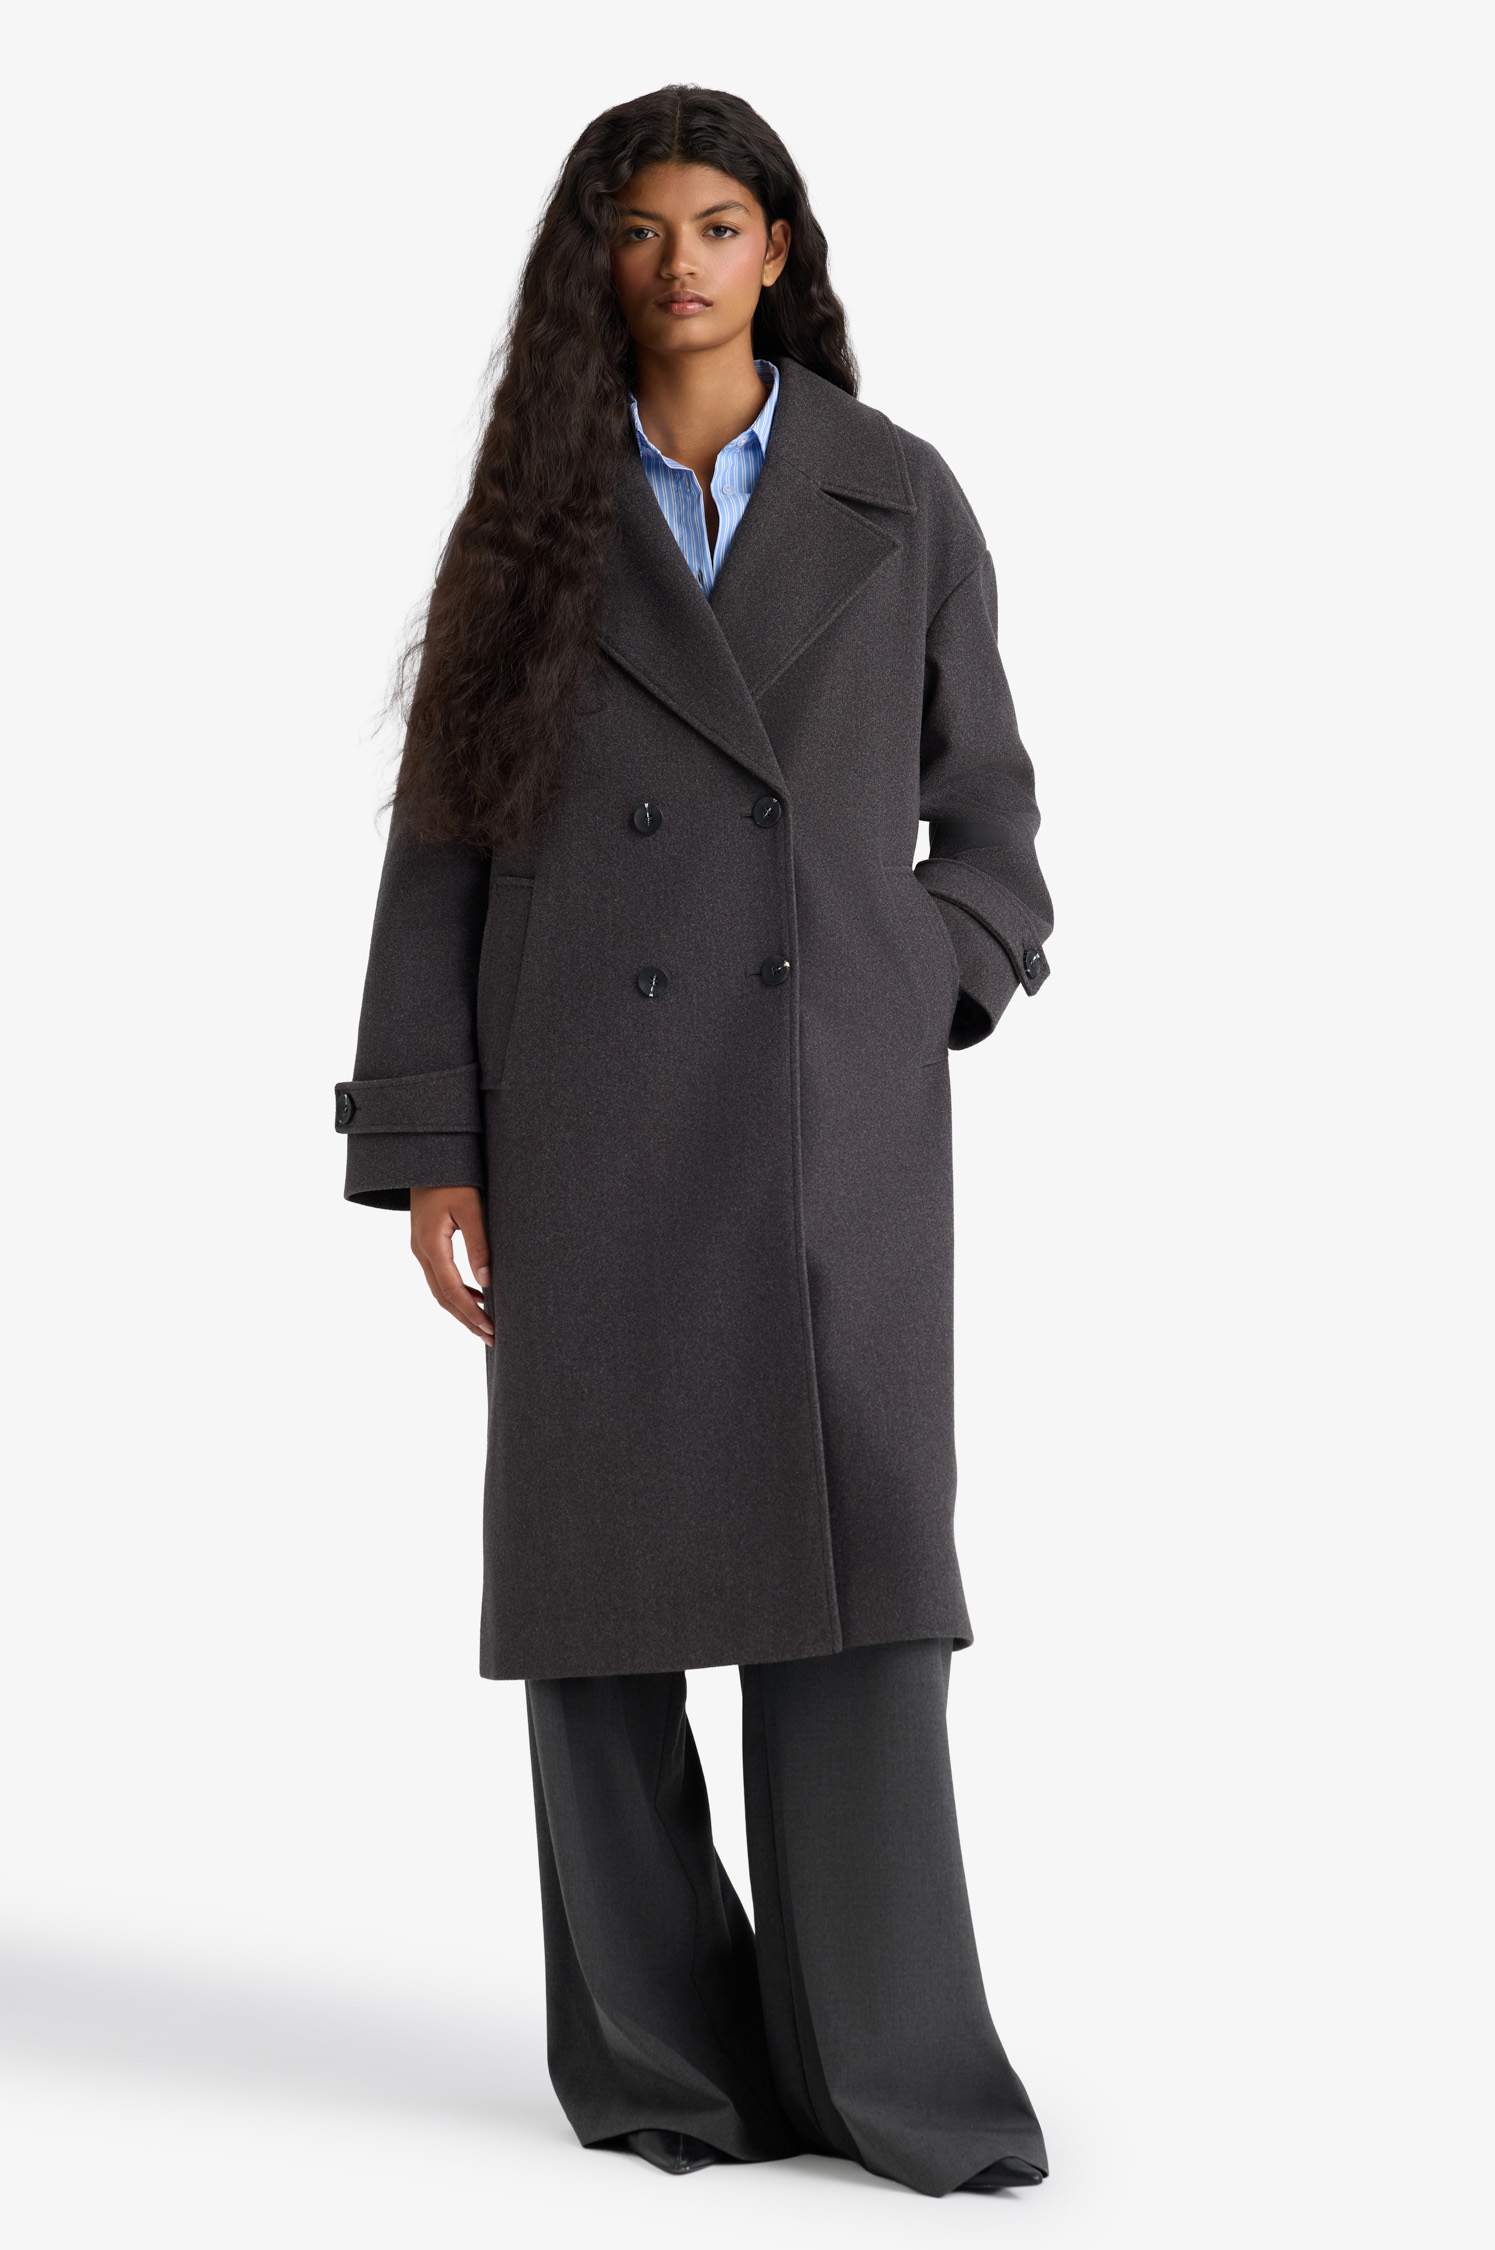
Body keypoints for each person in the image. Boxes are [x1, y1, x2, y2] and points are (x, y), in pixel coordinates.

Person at [334, 84, 1055, 2199]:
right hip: (591, 1113)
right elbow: (442, 852)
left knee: (863, 1593)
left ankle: (891, 2073)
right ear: (601, 258)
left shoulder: (896, 495)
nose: (680, 267)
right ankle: (666, 2065)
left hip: (833, 1117)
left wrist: (921, 971)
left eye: (718, 226)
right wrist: (434, 1139)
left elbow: (994, 818)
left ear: (777, 249)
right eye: (641, 231)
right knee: (600, 1598)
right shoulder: (531, 520)